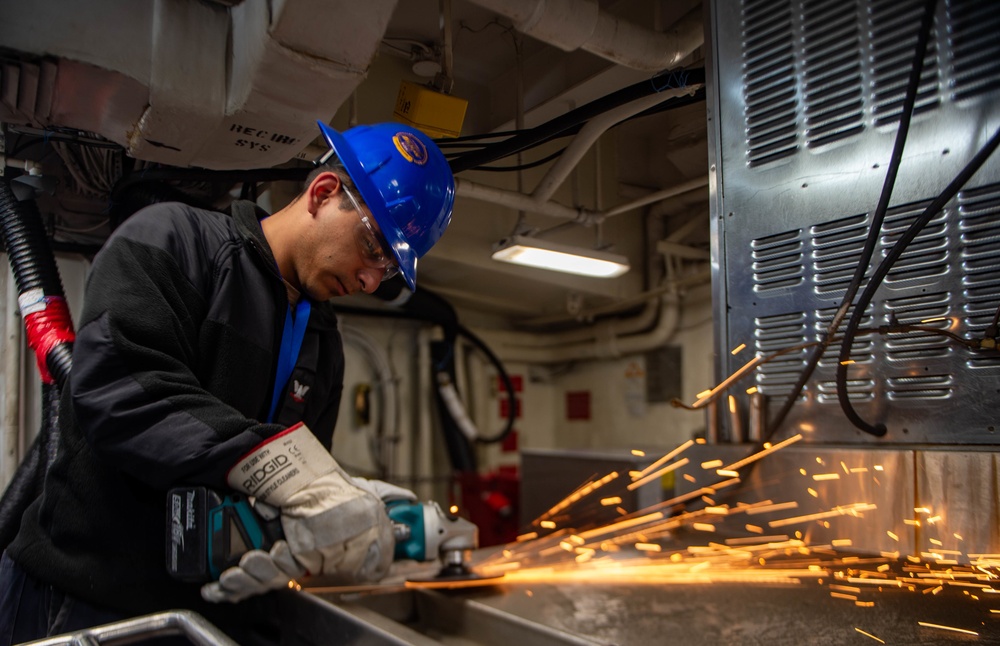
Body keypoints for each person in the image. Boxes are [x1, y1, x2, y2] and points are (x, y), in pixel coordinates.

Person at [0, 121, 455, 644]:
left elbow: (292, 484)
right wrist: (285, 469)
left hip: (207, 616)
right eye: (375, 248)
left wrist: (331, 512)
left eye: (391, 271)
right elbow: (118, 386)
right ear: (324, 194)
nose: (372, 280)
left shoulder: (323, 341)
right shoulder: (175, 240)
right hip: (81, 600)